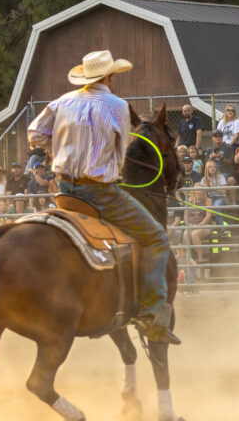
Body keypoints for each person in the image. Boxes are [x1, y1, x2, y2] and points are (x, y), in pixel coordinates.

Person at [26, 50, 179, 344]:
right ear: (110, 76)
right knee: (156, 238)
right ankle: (151, 313)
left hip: (64, 190)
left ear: (85, 76)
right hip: (99, 192)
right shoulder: (117, 106)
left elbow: (35, 134)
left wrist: (61, 145)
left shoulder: (62, 101)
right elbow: (120, 153)